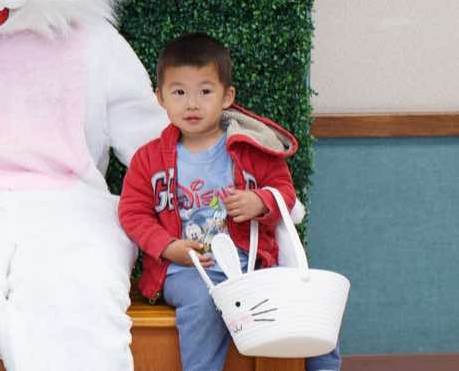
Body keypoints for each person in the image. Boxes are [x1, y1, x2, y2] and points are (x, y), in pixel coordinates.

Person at [118, 32, 340, 371]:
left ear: (227, 96)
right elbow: (133, 212)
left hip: (253, 267)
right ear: (160, 98)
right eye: (179, 93)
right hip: (187, 271)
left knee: (307, 301)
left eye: (205, 92)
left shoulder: (249, 148)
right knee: (203, 302)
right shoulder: (149, 159)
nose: (192, 104)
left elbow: (284, 191)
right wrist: (169, 247)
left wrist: (260, 201)